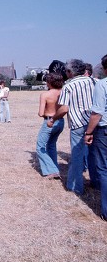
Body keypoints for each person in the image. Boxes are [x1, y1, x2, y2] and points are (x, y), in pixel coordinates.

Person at [48, 59, 98, 195]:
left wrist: (53, 118)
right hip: (96, 123)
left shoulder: (69, 86)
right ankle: (97, 182)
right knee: (95, 154)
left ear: (70, 72)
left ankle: (75, 186)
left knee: (77, 156)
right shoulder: (95, 82)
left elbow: (64, 109)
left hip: (78, 124)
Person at [84, 54, 107, 221]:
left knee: (104, 170)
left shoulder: (102, 85)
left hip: (104, 130)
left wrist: (89, 132)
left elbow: (97, 112)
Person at [36, 73, 65, 179]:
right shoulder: (63, 92)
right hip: (60, 121)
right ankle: (53, 167)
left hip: (49, 122)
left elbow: (40, 113)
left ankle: (52, 170)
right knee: (51, 145)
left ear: (49, 82)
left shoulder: (45, 95)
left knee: (40, 147)